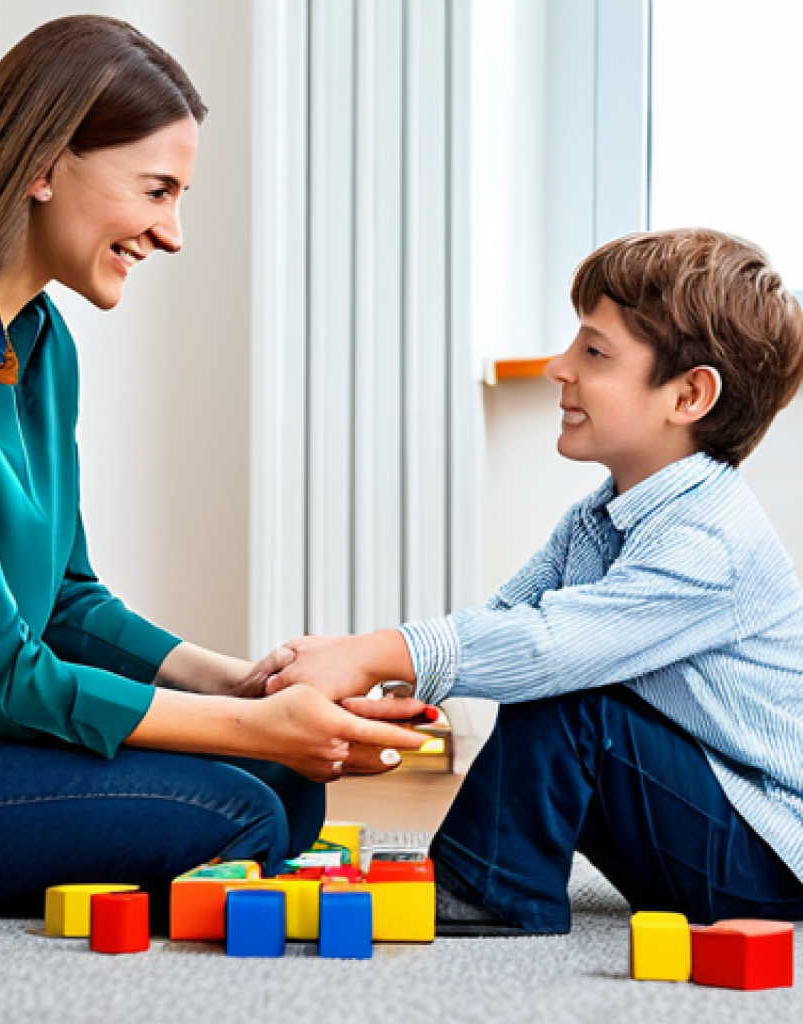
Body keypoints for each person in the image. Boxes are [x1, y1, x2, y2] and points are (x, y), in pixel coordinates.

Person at [0, 16, 426, 930]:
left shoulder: (42, 344)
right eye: (157, 190)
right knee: (238, 811)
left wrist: (240, 688)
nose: (172, 233)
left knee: (282, 782)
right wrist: (249, 728)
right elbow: (0, 673)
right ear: (43, 165)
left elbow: (70, 602)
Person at [267, 228, 803, 935]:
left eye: (593, 352)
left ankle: (497, 889)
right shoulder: (598, 516)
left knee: (568, 690)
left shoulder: (709, 539)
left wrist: (375, 649)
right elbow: (503, 619)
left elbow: (549, 647)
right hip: (702, 822)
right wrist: (390, 694)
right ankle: (499, 870)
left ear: (689, 395)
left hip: (761, 862)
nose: (559, 367)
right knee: (545, 670)